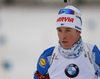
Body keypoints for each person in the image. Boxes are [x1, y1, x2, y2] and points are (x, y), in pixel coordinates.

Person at [34, 5, 100, 79]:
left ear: (78, 31)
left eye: (68, 30)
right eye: (59, 30)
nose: (63, 36)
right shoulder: (48, 56)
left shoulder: (92, 53)